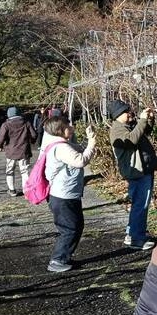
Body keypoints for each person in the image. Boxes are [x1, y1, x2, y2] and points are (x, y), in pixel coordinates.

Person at [43, 116, 96, 273]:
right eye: (68, 125)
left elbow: (80, 149)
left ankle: (63, 257)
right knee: (70, 228)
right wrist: (92, 143)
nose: (71, 127)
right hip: (62, 196)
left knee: (76, 226)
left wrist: (89, 139)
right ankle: (58, 260)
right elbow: (80, 160)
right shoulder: (61, 148)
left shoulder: (62, 144)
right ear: (60, 129)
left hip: (67, 195)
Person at [108, 99, 157, 250]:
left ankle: (132, 234)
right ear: (118, 115)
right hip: (138, 173)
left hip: (143, 170)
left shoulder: (127, 126)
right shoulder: (117, 129)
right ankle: (137, 239)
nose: (130, 114)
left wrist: (149, 119)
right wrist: (142, 120)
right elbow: (131, 141)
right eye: (126, 112)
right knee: (140, 205)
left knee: (138, 204)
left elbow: (144, 131)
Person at [0, 106, 37, 197]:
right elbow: (34, 135)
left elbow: (1, 137)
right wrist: (32, 141)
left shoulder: (6, 124)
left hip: (11, 152)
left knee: (10, 170)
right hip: (24, 151)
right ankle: (26, 191)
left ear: (8, 115)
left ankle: (12, 190)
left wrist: (0, 146)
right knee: (25, 171)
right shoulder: (26, 123)